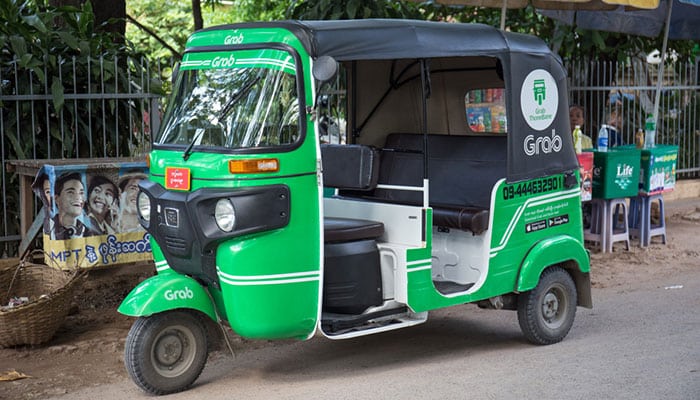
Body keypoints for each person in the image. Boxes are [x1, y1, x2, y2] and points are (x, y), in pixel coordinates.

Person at [51, 172, 89, 240]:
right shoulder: (49, 228)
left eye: (81, 193)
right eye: (70, 192)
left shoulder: (88, 233)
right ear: (57, 199)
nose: (78, 197)